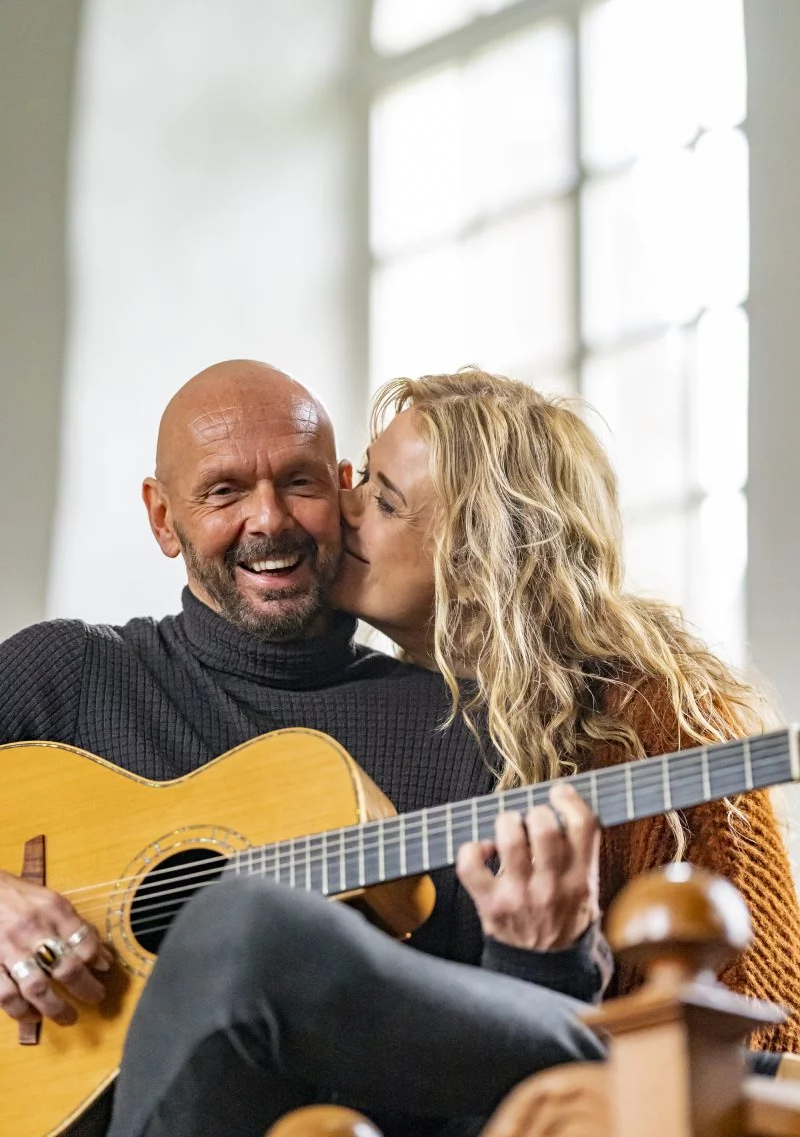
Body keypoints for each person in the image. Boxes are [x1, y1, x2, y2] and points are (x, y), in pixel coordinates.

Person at [0, 360, 607, 1137]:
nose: (269, 519)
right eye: (224, 491)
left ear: (342, 487)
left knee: (245, 924)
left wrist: (547, 961)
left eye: (299, 482)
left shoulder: (463, 734)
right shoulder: (66, 674)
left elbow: (504, 1102)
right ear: (162, 518)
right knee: (243, 920)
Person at [330, 368, 800, 1041]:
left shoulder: (665, 725)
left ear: (479, 559)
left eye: (384, 500)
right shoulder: (380, 710)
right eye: (363, 478)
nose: (343, 505)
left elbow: (765, 1033)